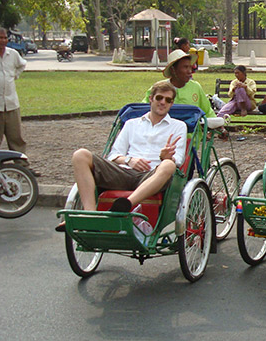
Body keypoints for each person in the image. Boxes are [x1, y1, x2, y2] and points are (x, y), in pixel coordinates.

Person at [56, 80, 187, 231]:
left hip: (152, 176)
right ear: (151, 98)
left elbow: (178, 160)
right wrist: (130, 160)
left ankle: (126, 205)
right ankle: (89, 215)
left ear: (172, 104)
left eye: (168, 100)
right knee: (80, 155)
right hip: (124, 172)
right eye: (159, 98)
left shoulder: (178, 126)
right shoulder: (131, 123)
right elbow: (114, 155)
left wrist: (165, 157)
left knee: (169, 165)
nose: (163, 102)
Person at [143, 49, 216, 117]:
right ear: (173, 70)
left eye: (190, 67)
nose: (189, 71)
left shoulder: (196, 87)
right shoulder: (159, 88)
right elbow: (142, 110)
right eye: (185, 67)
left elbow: (208, 112)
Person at [0, 27, 32, 170]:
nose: (2, 41)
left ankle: (22, 167)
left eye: (4, 38)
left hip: (11, 103)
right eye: (0, 38)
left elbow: (22, 65)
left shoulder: (12, 54)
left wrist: (14, 75)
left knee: (16, 138)